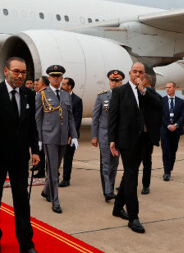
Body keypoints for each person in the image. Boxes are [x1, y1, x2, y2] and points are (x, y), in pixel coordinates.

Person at [0, 57, 47, 253]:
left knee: (22, 200)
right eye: (16, 72)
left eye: (23, 72)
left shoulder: (29, 94)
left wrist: (35, 150)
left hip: (20, 157)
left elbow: (31, 126)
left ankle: (26, 245)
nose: (20, 76)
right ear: (6, 71)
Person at [108, 62, 163, 234]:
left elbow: (159, 106)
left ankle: (117, 208)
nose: (137, 74)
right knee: (132, 175)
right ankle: (134, 217)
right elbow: (113, 117)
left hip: (145, 140)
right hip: (126, 140)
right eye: (135, 72)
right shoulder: (120, 92)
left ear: (144, 75)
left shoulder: (148, 92)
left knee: (129, 173)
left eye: (141, 72)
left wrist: (143, 91)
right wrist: (112, 140)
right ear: (130, 73)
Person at [36, 65, 78, 214]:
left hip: (62, 137)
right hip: (49, 137)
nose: (55, 78)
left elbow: (70, 117)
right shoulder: (42, 94)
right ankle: (55, 201)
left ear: (61, 78)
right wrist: (39, 139)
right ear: (49, 78)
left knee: (55, 167)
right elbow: (38, 119)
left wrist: (74, 136)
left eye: (58, 76)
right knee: (54, 170)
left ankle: (46, 190)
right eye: (53, 76)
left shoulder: (66, 95)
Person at [91, 70, 124, 202]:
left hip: (119, 135)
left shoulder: (125, 96)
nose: (114, 83)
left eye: (117, 81)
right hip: (104, 134)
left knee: (114, 164)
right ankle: (108, 190)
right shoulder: (102, 97)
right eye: (112, 80)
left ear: (121, 82)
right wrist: (94, 136)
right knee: (106, 162)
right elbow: (95, 117)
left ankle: (108, 187)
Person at [139, 74, 163, 195]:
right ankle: (127, 184)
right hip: (136, 134)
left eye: (140, 80)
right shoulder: (137, 93)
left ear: (146, 82)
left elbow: (157, 104)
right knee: (131, 162)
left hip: (147, 136)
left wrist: (144, 91)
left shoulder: (154, 95)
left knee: (146, 162)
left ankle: (145, 185)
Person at [59, 77, 83, 187]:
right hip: (57, 133)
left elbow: (77, 119)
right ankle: (53, 176)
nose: (61, 86)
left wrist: (72, 135)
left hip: (69, 135)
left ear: (69, 86)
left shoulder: (77, 100)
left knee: (68, 158)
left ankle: (66, 179)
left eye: (63, 84)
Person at [161, 82, 184, 181]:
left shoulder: (180, 101)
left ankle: (170, 167)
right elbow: (161, 116)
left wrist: (176, 125)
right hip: (165, 129)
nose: (167, 89)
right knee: (166, 150)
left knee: (173, 150)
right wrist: (168, 125)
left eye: (169, 87)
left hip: (176, 130)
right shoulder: (162, 100)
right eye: (166, 87)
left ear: (175, 88)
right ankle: (167, 172)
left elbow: (182, 116)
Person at [31, 77, 50, 178]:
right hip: (48, 129)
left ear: (42, 85)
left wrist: (37, 132)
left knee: (43, 152)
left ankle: (43, 170)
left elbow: (38, 116)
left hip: (42, 129)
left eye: (37, 85)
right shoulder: (50, 94)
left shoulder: (40, 95)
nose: (35, 86)